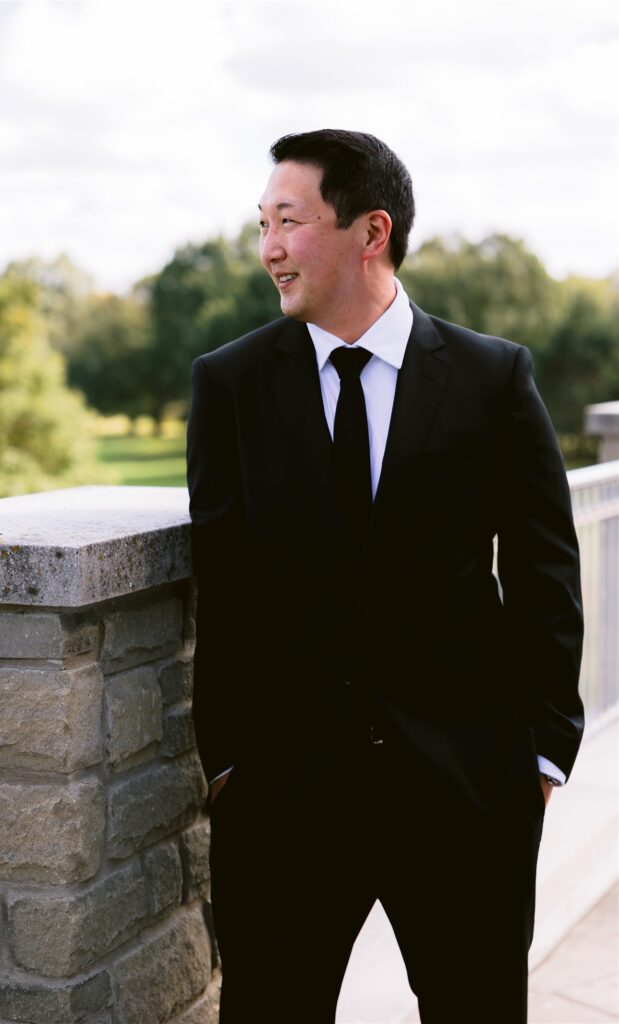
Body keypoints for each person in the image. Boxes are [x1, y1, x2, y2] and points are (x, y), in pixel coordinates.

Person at [186, 129, 584, 1024]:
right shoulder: (230, 385)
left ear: (371, 232)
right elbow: (229, 585)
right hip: (284, 802)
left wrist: (541, 752)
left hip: (467, 792)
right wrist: (230, 765)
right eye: (262, 224)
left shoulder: (492, 377)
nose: (268, 249)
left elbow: (542, 571)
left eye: (289, 221)